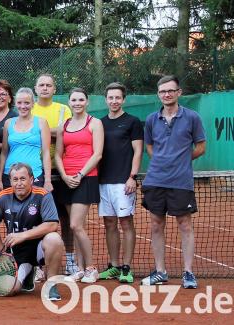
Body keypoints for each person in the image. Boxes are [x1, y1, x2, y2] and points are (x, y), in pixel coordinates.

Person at [141, 75, 206, 289]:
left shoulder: (192, 117)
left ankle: (188, 272)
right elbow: (149, 147)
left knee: (185, 225)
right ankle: (160, 271)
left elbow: (200, 147)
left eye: (170, 91)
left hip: (181, 182)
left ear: (179, 92)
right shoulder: (151, 119)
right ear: (158, 94)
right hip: (155, 180)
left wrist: (180, 161)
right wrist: (163, 160)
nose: (167, 94)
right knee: (156, 225)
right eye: (162, 91)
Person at [0, 162, 65, 301]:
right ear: (10, 181)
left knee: (54, 239)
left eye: (23, 179)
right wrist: (2, 254)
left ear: (31, 179)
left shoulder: (43, 195)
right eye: (15, 179)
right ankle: (27, 273)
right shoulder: (1, 198)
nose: (19, 183)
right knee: (8, 290)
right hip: (17, 252)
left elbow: (52, 224)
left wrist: (23, 235)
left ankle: (51, 284)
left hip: (40, 247)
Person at [55, 88, 104, 283]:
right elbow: (58, 154)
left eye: (81, 99)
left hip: (86, 177)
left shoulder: (95, 123)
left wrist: (80, 174)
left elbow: (97, 154)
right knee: (75, 227)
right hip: (66, 179)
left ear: (87, 102)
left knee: (75, 225)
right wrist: (65, 176)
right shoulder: (64, 126)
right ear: (69, 102)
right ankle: (81, 269)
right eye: (74, 100)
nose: (77, 103)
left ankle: (91, 268)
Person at [97, 82, 142, 284]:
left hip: (124, 182)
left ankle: (126, 267)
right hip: (103, 181)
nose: (114, 101)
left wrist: (132, 176)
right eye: (110, 97)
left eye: (118, 98)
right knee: (109, 224)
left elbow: (138, 151)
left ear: (123, 99)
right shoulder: (99, 123)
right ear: (106, 100)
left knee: (126, 222)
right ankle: (114, 266)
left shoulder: (133, 122)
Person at [31, 73, 76, 274]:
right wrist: (53, 131)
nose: (45, 88)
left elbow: (66, 132)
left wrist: (42, 131)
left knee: (67, 218)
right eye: (41, 85)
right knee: (38, 219)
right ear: (35, 88)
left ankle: (71, 259)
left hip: (62, 171)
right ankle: (39, 262)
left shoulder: (63, 109)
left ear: (54, 89)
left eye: (49, 85)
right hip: (36, 173)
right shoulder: (29, 107)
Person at [0, 88, 52, 191]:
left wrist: (48, 180)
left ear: (33, 104)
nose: (23, 106)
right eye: (19, 103)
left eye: (27, 103)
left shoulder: (41, 123)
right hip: (10, 175)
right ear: (15, 103)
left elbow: (46, 152)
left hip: (34, 174)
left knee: (33, 207)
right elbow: (4, 152)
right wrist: (0, 180)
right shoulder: (8, 123)